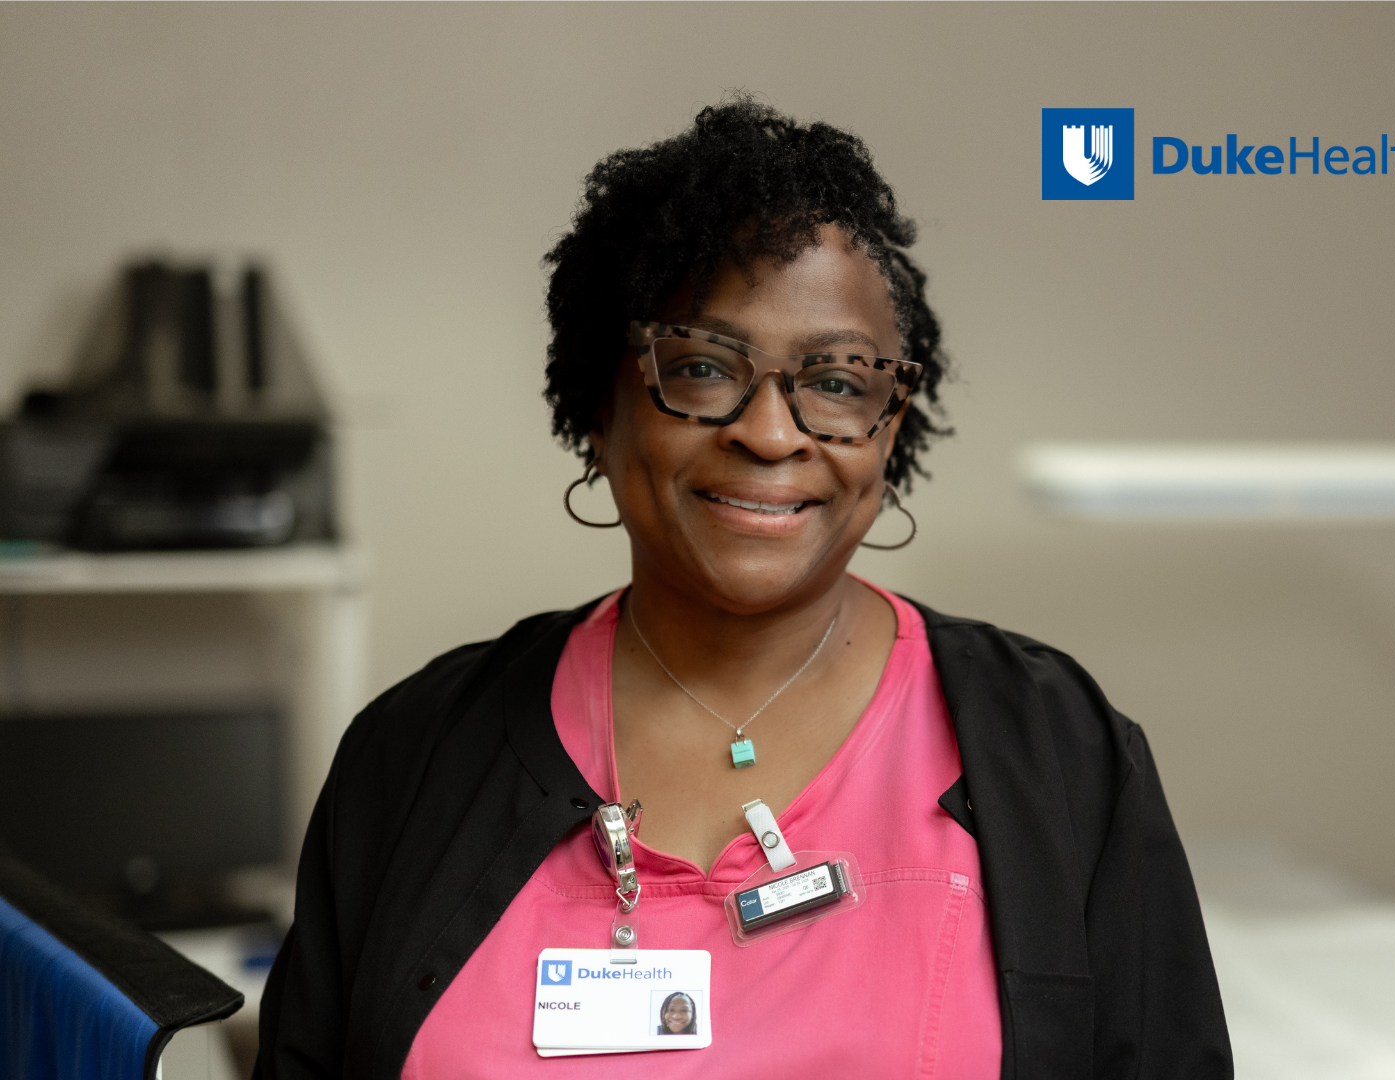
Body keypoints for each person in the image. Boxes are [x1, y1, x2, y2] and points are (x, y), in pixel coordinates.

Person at [254, 98, 1230, 1079]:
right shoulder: (413, 754)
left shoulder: (1058, 749)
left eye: (837, 381)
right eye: (703, 368)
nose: (769, 434)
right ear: (599, 406)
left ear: (890, 427)